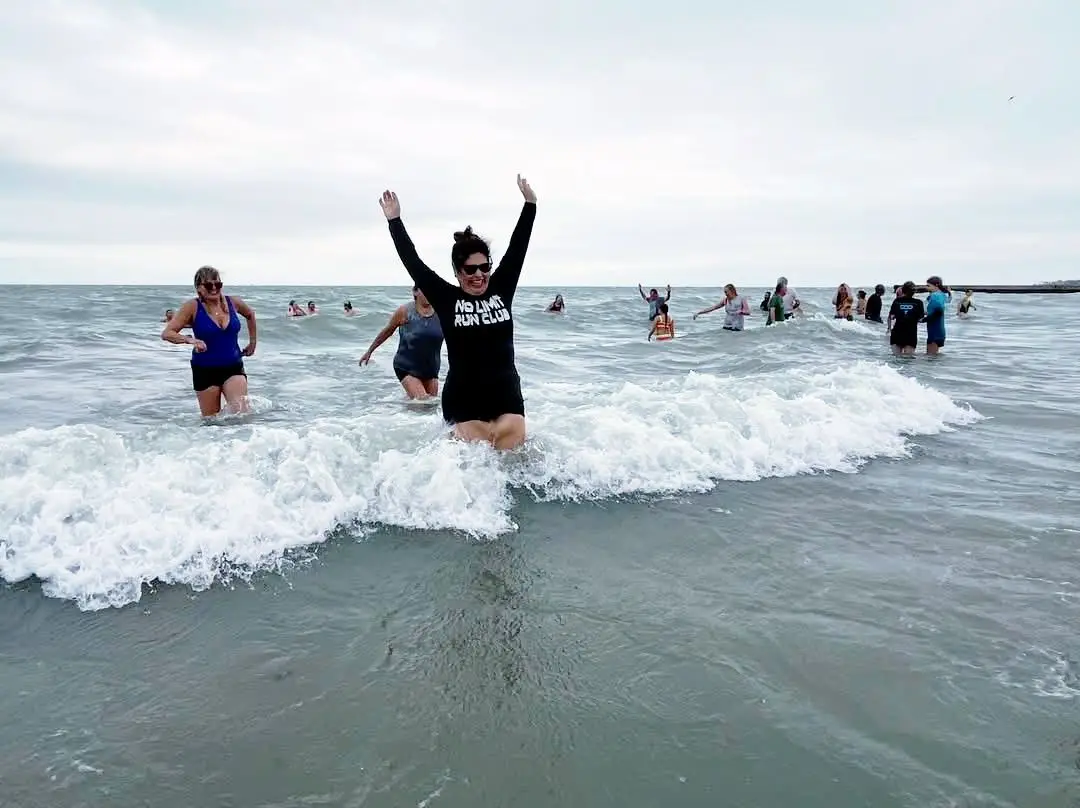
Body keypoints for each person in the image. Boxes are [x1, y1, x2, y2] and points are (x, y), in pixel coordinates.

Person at [379, 174, 537, 450]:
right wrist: (395, 221)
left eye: (484, 267)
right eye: (470, 269)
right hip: (464, 399)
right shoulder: (445, 297)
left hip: (506, 395)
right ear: (457, 272)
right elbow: (412, 260)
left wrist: (530, 205)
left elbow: (518, 247)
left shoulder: (502, 288)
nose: (479, 275)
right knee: (471, 473)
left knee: (514, 469)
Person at [162, 265, 257, 416]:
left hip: (233, 366)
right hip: (205, 370)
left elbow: (250, 314)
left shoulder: (233, 302)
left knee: (242, 415)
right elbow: (167, 333)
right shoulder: (192, 307)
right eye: (208, 285)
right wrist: (191, 340)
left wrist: (252, 343)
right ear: (199, 288)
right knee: (212, 422)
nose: (214, 288)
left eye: (217, 284)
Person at [359, 286, 443, 399]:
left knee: (431, 408)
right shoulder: (405, 311)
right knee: (423, 401)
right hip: (406, 366)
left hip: (431, 370)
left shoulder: (442, 313)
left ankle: (402, 414)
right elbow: (387, 331)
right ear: (415, 292)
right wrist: (370, 351)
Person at [887, 281, 925, 356]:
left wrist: (889, 329)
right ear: (914, 292)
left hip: (897, 333)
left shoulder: (897, 301)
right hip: (911, 334)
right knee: (908, 360)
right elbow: (920, 319)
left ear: (903, 290)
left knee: (896, 359)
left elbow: (891, 317)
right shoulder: (918, 303)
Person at [924, 275, 949, 355]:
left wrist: (923, 319)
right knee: (933, 357)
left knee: (930, 357)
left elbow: (938, 311)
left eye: (928, 286)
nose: (926, 287)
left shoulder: (935, 296)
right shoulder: (942, 295)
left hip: (934, 329)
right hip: (939, 329)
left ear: (936, 285)